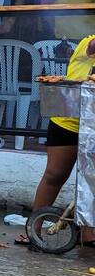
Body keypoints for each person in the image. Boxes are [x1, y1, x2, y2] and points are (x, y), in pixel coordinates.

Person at [25, 32, 95, 246]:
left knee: (91, 181)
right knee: (55, 175)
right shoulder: (88, 42)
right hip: (69, 120)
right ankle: (33, 230)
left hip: (92, 127)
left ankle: (88, 235)